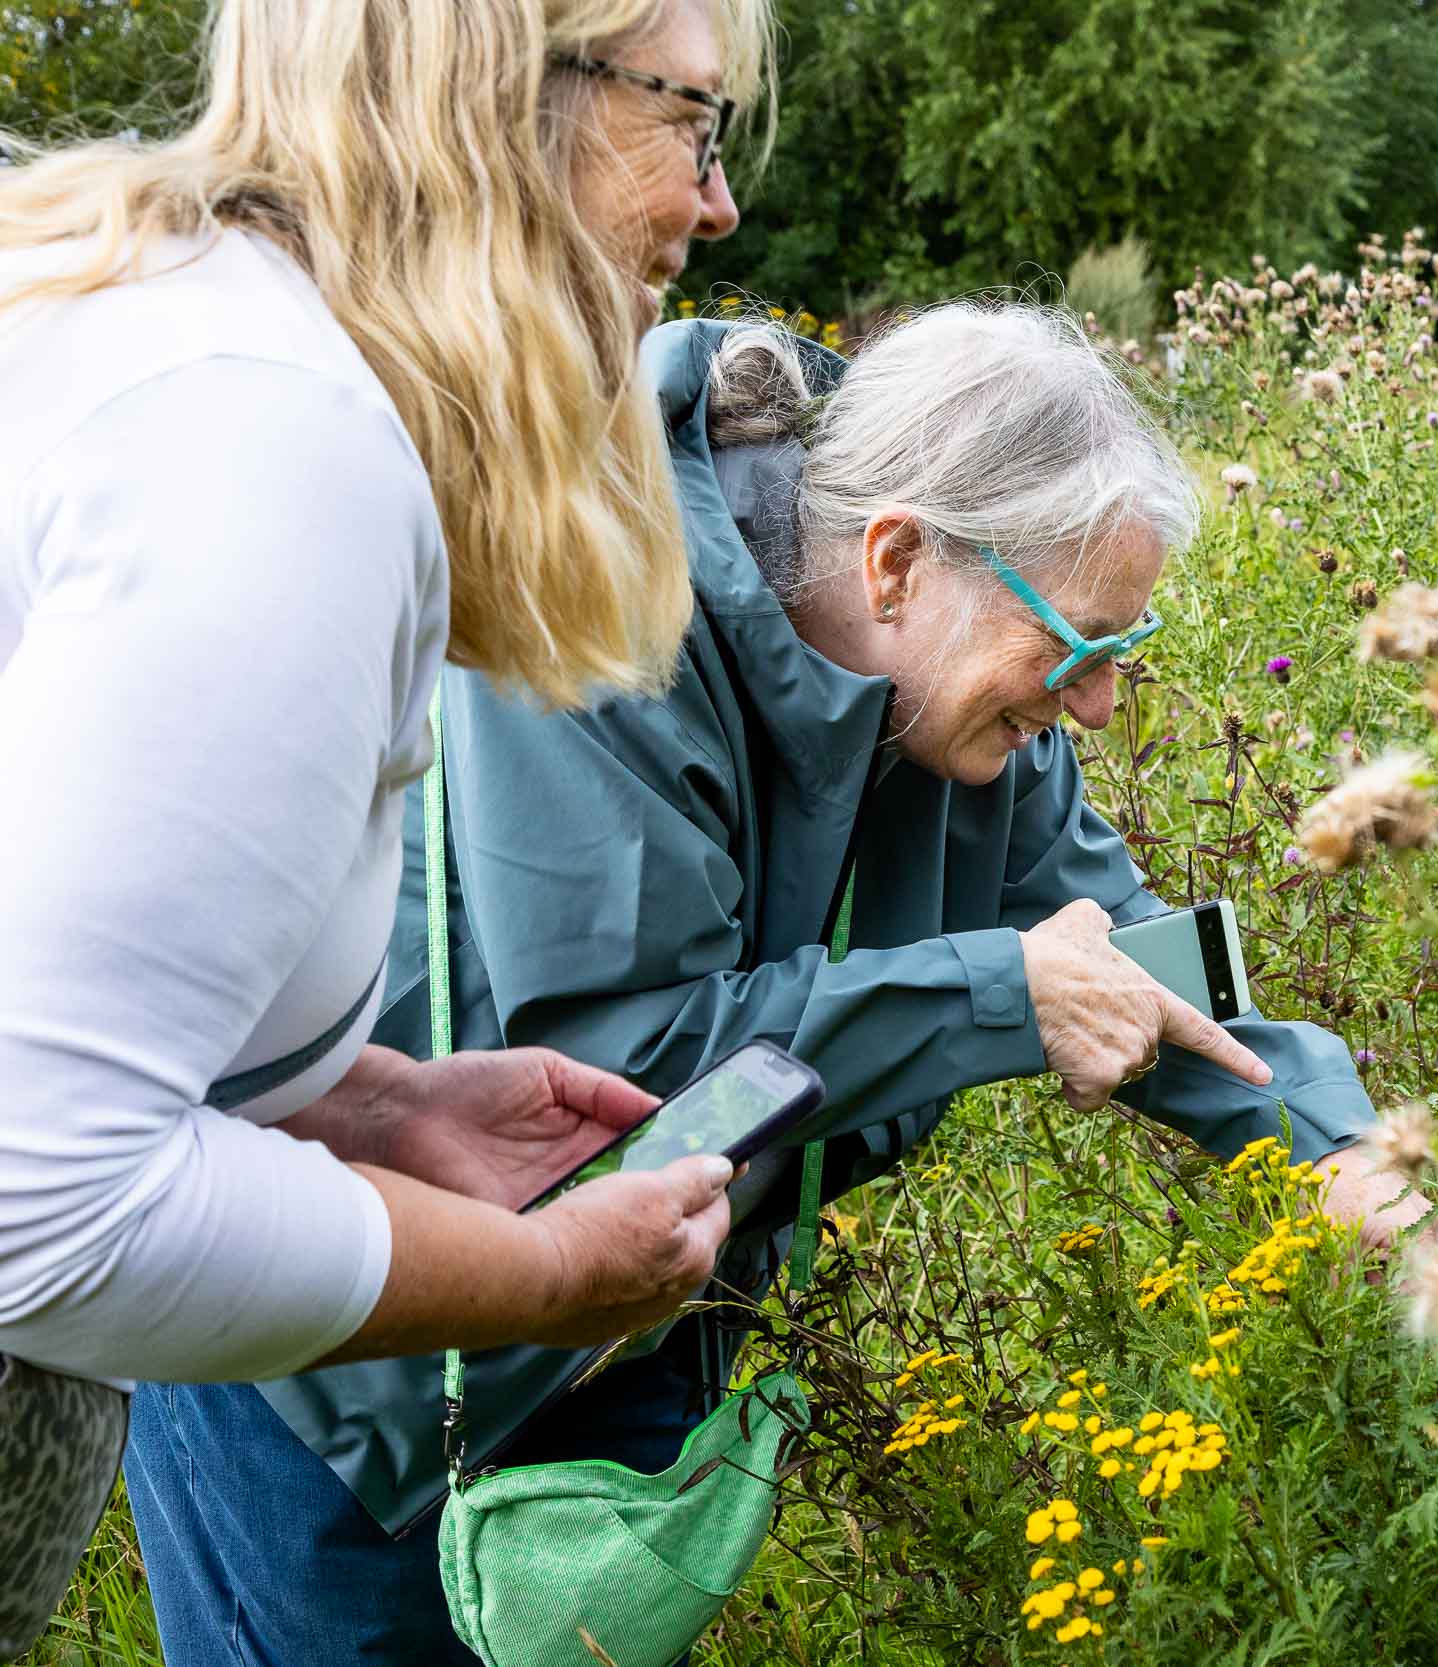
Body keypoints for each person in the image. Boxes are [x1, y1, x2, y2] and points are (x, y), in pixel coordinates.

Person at [121, 303, 1426, 1660]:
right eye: (1079, 644)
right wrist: (1000, 996)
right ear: (899, 560)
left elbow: (1133, 963)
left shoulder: (986, 724)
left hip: (626, 1316)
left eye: (1122, 647)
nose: (1098, 704)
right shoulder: (611, 624)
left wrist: (1338, 1149)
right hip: (360, 1352)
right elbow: (633, 1071)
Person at [0, 0, 776, 1651]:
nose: (717, 208)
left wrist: (355, 1106)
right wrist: (556, 1281)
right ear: (497, 104)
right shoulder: (272, 451)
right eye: (689, 121)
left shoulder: (176, 345)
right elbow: (44, 1212)